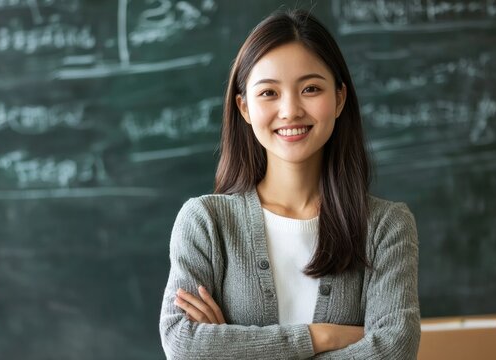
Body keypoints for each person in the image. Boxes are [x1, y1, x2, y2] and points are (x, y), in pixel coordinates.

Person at [159, 9, 420, 359]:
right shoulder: (206, 222)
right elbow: (183, 345)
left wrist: (231, 347)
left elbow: (395, 350)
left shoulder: (386, 227)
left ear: (339, 98)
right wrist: (322, 337)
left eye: (310, 88)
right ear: (244, 107)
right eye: (269, 93)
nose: (290, 110)